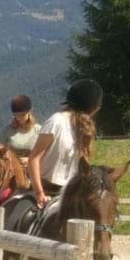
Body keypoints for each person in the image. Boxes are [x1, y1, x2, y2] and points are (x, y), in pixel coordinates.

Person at [28, 79, 103, 208]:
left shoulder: (84, 127)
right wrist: (40, 193)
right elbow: (33, 159)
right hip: (47, 190)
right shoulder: (56, 122)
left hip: (72, 192)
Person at [0, 95, 42, 165]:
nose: (19, 118)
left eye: (23, 114)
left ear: (29, 112)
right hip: (13, 170)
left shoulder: (38, 130)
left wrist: (29, 159)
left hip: (33, 168)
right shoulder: (7, 131)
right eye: (16, 115)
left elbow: (45, 152)